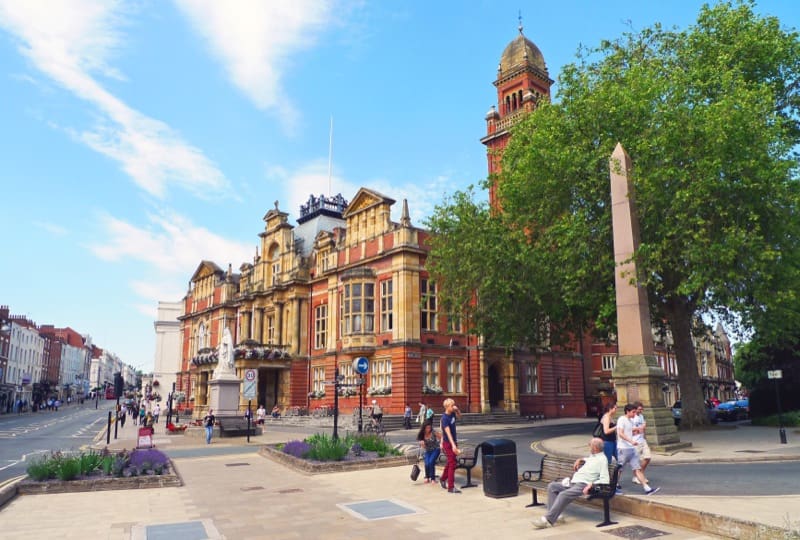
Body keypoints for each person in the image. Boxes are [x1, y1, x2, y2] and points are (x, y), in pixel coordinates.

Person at [532, 437, 610, 529]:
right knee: (552, 486)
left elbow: (605, 479)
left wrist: (591, 484)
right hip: (574, 483)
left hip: (583, 485)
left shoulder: (602, 460)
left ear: (595, 448)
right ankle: (557, 515)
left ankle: (547, 520)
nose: (588, 446)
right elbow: (588, 460)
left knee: (563, 494)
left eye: (590, 445)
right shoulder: (592, 456)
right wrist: (581, 459)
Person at [616, 403, 659, 495]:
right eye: (633, 412)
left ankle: (647, 489)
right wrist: (631, 441)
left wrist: (639, 430)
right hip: (623, 449)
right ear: (627, 411)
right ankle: (614, 486)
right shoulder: (621, 419)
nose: (635, 414)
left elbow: (631, 431)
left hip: (631, 449)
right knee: (619, 469)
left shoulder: (631, 421)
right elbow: (620, 433)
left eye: (635, 412)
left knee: (637, 469)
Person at [439, 398, 462, 494]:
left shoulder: (452, 413)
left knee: (450, 462)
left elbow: (460, 417)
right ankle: (451, 487)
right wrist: (453, 445)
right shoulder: (444, 419)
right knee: (452, 463)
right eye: (452, 405)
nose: (454, 406)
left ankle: (443, 478)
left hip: (453, 442)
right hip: (448, 443)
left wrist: (457, 410)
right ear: (447, 407)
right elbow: (447, 433)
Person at [631, 401, 651, 484]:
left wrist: (645, 437)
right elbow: (630, 430)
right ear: (635, 409)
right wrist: (639, 428)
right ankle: (636, 477)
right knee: (636, 461)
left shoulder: (641, 416)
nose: (641, 411)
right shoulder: (632, 417)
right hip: (635, 441)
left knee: (647, 457)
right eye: (639, 409)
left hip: (642, 440)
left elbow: (643, 428)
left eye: (642, 409)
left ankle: (640, 474)